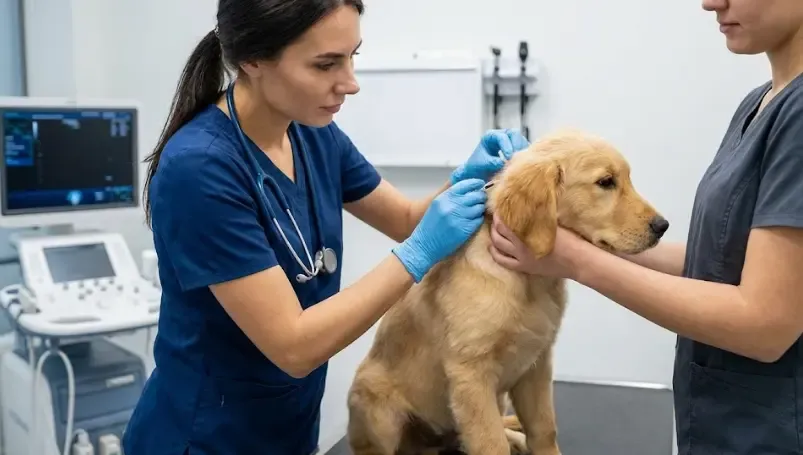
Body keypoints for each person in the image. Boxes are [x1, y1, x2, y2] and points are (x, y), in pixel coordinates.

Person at [121, 1, 530, 454]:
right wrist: (418, 254)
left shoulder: (312, 132)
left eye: (352, 55)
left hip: (287, 432)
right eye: (325, 64)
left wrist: (468, 178)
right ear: (253, 60)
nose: (350, 83)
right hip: (204, 438)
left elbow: (407, 220)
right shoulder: (199, 170)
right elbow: (294, 346)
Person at [489, 0, 803, 453]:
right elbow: (715, 261)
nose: (711, 2)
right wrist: (578, 236)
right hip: (720, 425)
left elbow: (765, 324)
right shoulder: (759, 103)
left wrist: (578, 262)